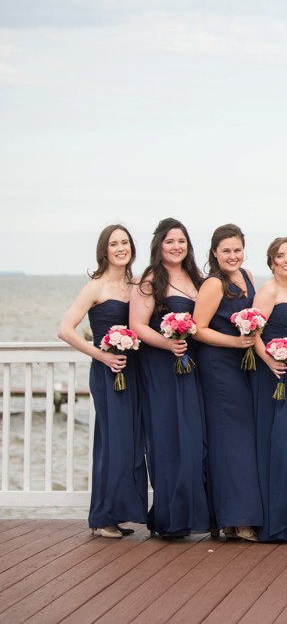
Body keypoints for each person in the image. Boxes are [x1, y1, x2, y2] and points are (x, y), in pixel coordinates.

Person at [58, 224, 147, 538]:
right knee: (114, 441)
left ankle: (117, 512)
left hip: (135, 370)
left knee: (133, 442)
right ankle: (102, 516)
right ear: (104, 250)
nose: (121, 248)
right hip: (108, 371)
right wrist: (101, 355)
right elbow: (65, 329)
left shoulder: (136, 284)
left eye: (125, 242)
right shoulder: (95, 286)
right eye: (114, 244)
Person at [129, 218, 209, 537]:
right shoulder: (151, 279)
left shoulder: (197, 278)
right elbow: (138, 324)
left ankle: (190, 512)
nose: (176, 247)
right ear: (159, 245)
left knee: (193, 437)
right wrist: (168, 343)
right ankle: (168, 517)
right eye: (170, 241)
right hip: (161, 366)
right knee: (166, 437)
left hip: (191, 365)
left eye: (181, 241)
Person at [193, 224, 262, 542]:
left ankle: (237, 515)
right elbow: (198, 328)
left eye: (237, 249)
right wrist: (236, 343)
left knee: (241, 438)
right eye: (226, 251)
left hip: (242, 365)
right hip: (218, 366)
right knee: (230, 440)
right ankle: (234, 518)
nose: (233, 256)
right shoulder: (213, 284)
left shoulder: (246, 276)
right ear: (215, 253)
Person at [251, 237, 287, 542]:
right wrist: (270, 363)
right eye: (280, 255)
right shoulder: (268, 290)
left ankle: (286, 513)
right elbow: (253, 333)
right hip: (272, 372)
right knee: (276, 440)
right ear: (272, 260)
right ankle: (273, 520)